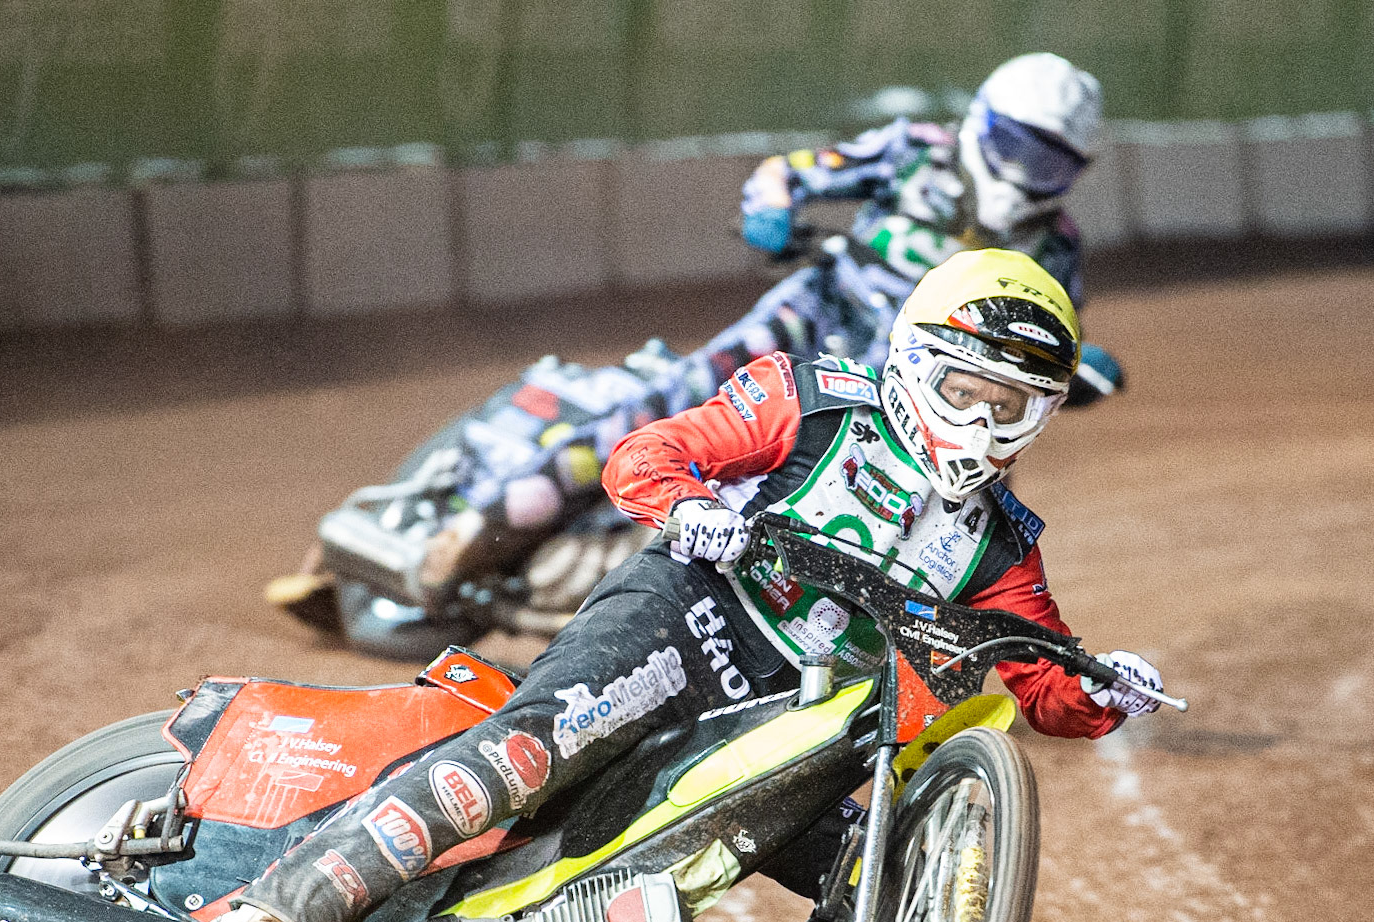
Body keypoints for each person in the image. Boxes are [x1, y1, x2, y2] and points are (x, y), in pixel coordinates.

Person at [200, 249, 1166, 922]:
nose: (984, 421)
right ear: (916, 362)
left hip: (789, 727)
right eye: (967, 389)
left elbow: (1045, 685)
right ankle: (270, 921)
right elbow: (649, 454)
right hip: (684, 620)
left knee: (893, 872)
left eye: (1015, 404)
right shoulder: (810, 399)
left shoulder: (1004, 546)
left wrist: (1105, 682)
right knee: (528, 754)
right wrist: (693, 508)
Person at [393, 52, 1123, 603]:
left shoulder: (1055, 247)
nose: (1026, 172)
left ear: (1076, 170)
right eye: (1017, 145)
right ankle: (481, 532)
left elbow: (1046, 344)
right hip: (803, 320)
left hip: (905, 395)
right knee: (663, 407)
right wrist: (769, 205)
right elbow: (792, 171)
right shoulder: (913, 152)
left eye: (1050, 161)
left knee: (958, 498)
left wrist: (1077, 366)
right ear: (980, 122)